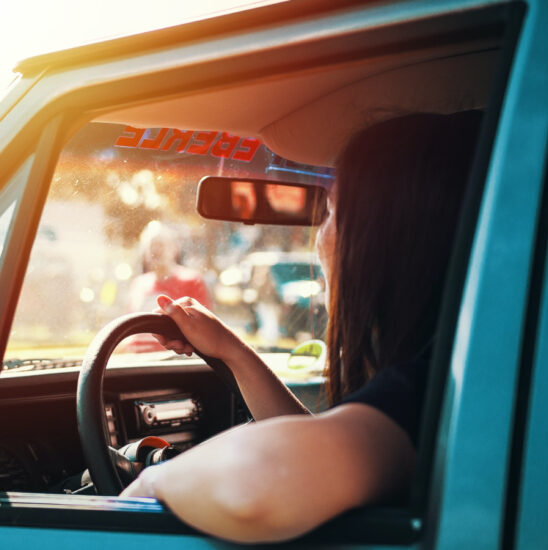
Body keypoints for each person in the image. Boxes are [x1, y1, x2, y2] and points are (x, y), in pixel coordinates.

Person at [120, 111, 483, 543]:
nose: (318, 238)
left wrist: (146, 487)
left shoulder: (424, 388)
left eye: (330, 212)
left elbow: (259, 481)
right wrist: (232, 350)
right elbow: (322, 447)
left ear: (381, 241)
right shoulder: (459, 367)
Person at [126, 221, 212, 353]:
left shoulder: (192, 280)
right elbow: (130, 329)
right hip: (138, 361)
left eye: (160, 244)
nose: (156, 250)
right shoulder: (139, 284)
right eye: (151, 245)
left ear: (174, 248)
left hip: (173, 362)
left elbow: (206, 329)